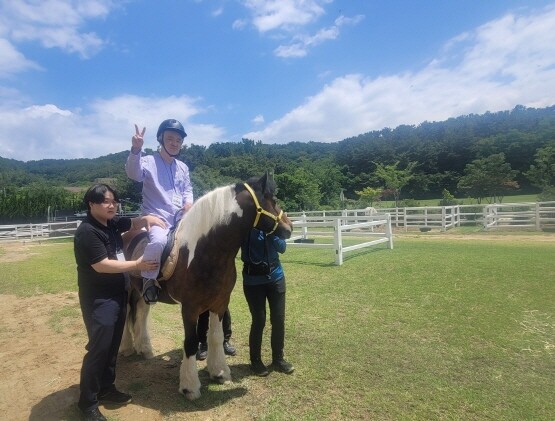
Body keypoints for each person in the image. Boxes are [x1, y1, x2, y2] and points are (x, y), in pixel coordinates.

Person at [74, 184, 164, 421]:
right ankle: (88, 403)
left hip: (117, 295)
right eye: (105, 201)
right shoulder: (88, 232)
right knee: (99, 349)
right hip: (99, 299)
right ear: (91, 204)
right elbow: (101, 265)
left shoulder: (111, 223)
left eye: (114, 200)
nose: (111, 205)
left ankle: (106, 388)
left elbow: (133, 224)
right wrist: (138, 265)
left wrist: (147, 218)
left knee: (113, 346)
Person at [125, 119, 194, 304]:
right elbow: (133, 173)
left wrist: (189, 203)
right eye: (170, 138)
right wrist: (136, 149)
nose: (175, 143)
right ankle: (149, 279)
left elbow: (187, 190)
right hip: (157, 218)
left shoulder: (183, 167)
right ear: (160, 139)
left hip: (181, 218)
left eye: (178, 140)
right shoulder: (148, 161)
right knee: (158, 241)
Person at [241, 227, 294, 376]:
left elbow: (282, 248)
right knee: (259, 321)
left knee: (278, 319)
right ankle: (255, 361)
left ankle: (278, 359)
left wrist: (272, 234)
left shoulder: (273, 225)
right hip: (253, 281)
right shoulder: (246, 226)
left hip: (276, 277)